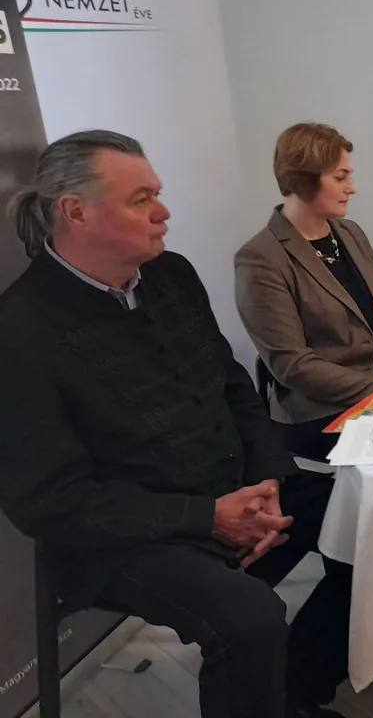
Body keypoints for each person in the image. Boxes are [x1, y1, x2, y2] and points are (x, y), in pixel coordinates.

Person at [0, 131, 351, 718]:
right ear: (76, 212)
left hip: (229, 494)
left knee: (362, 514)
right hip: (119, 541)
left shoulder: (172, 275)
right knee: (249, 618)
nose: (163, 213)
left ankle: (295, 691)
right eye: (141, 200)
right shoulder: (18, 331)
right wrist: (208, 518)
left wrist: (268, 479)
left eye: (156, 195)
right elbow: (49, 501)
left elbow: (234, 387)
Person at [235, 123, 373, 463]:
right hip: (324, 409)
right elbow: (291, 364)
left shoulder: (350, 233)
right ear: (303, 179)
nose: (351, 188)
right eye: (340, 178)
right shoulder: (260, 258)